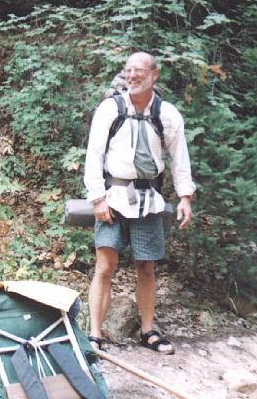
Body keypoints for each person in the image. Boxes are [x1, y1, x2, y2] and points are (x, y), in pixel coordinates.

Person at [83, 52, 196, 355]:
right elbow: (93, 154)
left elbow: (179, 158)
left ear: (154, 75)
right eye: (128, 70)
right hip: (112, 197)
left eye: (139, 70)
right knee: (105, 265)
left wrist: (185, 197)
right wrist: (97, 198)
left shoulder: (168, 114)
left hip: (149, 200)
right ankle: (94, 334)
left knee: (146, 266)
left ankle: (148, 330)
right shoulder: (110, 109)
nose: (132, 75)